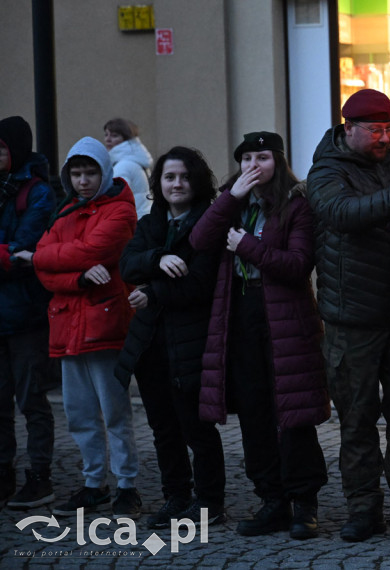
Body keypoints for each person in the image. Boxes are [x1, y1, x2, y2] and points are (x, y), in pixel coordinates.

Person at [307, 89, 390, 543]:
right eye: (376, 130)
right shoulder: (327, 172)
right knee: (357, 422)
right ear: (349, 129)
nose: (385, 138)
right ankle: (363, 509)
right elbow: (346, 215)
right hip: (352, 322)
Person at [190, 132, 330, 540]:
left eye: (263, 157)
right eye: (247, 157)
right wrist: (229, 198)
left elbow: (298, 265)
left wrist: (248, 246)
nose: (254, 165)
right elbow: (199, 241)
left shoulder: (297, 206)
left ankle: (304, 503)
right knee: (253, 414)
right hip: (239, 316)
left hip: (285, 320)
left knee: (293, 413)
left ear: (279, 162)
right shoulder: (230, 202)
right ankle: (272, 501)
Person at [114, 146, 226, 529]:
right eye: (169, 177)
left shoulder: (209, 224)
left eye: (183, 176)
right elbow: (127, 263)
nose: (176, 184)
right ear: (158, 184)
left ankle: (210, 502)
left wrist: (154, 291)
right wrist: (158, 258)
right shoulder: (151, 223)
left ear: (196, 181)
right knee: (163, 427)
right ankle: (176, 497)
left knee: (197, 427)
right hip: (151, 345)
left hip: (191, 342)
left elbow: (199, 284)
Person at [29, 137, 141, 518]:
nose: (82, 180)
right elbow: (43, 268)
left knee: (114, 412)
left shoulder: (119, 212)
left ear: (104, 172)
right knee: (79, 414)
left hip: (105, 323)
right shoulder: (66, 212)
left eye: (90, 172)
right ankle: (94, 484)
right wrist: (76, 277)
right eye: (76, 173)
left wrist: (54, 260)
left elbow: (92, 252)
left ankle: (127, 485)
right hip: (68, 324)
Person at [0, 116, 56, 510]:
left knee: (31, 399)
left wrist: (9, 256)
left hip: (24, 316)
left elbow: (25, 248)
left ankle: (39, 476)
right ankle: (3, 472)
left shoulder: (36, 192)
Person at [103, 118, 153, 219]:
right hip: (141, 217)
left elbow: (115, 199)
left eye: (114, 136)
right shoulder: (135, 160)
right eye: (106, 134)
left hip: (132, 221)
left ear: (127, 139)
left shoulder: (124, 165)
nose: (107, 139)